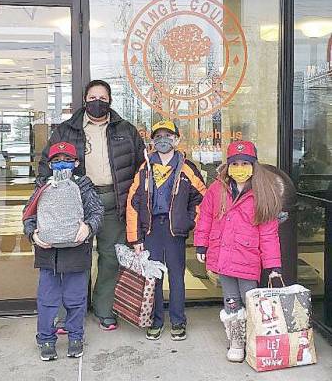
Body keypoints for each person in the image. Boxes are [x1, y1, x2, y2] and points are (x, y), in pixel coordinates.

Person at [38, 80, 145, 331]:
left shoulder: (126, 130)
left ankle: (104, 308)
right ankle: (68, 313)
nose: (98, 102)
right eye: (93, 97)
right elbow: (46, 165)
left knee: (110, 258)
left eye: (103, 98)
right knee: (72, 257)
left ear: (110, 101)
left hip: (114, 201)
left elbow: (141, 167)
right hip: (76, 202)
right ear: (85, 100)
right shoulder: (66, 130)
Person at [194, 140, 283, 363]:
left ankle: (254, 338)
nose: (240, 168)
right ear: (228, 166)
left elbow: (269, 233)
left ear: (254, 165)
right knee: (231, 299)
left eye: (245, 163)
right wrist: (201, 244)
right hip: (223, 254)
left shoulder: (263, 192)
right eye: (235, 163)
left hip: (248, 258)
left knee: (250, 299)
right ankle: (236, 341)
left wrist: (273, 265)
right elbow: (205, 217)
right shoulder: (217, 189)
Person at [23, 142, 103, 361]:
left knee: (75, 299)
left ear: (76, 162)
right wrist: (34, 235)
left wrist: (88, 228)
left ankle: (76, 337)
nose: (61, 165)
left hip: (76, 254)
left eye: (66, 160)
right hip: (48, 256)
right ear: (49, 165)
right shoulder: (42, 185)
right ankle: (46, 339)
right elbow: (28, 215)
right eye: (56, 161)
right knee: (47, 300)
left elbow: (97, 212)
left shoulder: (84, 186)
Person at [127, 120, 206, 341]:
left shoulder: (187, 168)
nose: (163, 140)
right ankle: (155, 320)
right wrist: (135, 239)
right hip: (151, 231)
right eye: (158, 136)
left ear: (177, 140)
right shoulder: (144, 168)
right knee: (154, 278)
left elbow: (202, 199)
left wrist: (189, 220)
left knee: (177, 277)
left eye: (168, 136)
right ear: (152, 141)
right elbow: (133, 204)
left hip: (174, 232)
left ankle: (178, 321)